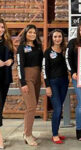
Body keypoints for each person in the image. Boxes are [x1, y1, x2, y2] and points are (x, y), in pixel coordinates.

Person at [17, 24, 43, 146]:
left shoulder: (38, 46)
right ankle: (27, 134)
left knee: (34, 105)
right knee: (31, 106)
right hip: (27, 77)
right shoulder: (21, 47)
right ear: (25, 34)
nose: (32, 34)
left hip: (37, 76)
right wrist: (23, 83)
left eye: (34, 32)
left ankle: (28, 132)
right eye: (30, 32)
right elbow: (19, 66)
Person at [42, 29, 69, 144]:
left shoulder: (65, 51)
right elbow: (44, 70)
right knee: (57, 108)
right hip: (53, 83)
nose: (58, 39)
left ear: (62, 38)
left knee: (60, 108)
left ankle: (56, 132)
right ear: (51, 38)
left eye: (59, 36)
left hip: (64, 82)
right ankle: (54, 135)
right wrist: (47, 86)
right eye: (55, 37)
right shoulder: (47, 52)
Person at [0, 18, 14, 149]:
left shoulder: (7, 41)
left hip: (4, 78)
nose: (1, 30)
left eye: (2, 27)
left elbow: (12, 57)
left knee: (1, 106)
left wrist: (10, 61)